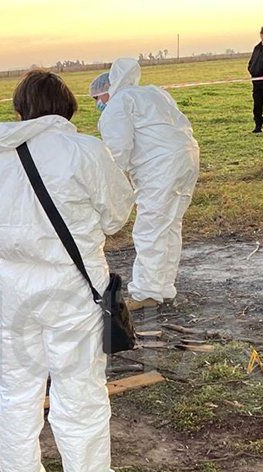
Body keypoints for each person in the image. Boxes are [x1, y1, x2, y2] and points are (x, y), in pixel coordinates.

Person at [0, 70, 135, 472]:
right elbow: (117, 214)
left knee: (16, 386)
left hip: (13, 286)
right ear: (67, 106)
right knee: (78, 388)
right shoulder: (83, 151)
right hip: (71, 286)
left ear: (20, 110)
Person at [94, 57, 200, 309]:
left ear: (108, 90)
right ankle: (163, 286)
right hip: (187, 159)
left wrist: (108, 187)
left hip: (160, 166)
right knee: (170, 224)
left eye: (97, 98)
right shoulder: (154, 93)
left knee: (150, 227)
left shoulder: (119, 104)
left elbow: (117, 151)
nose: (97, 104)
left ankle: (146, 293)